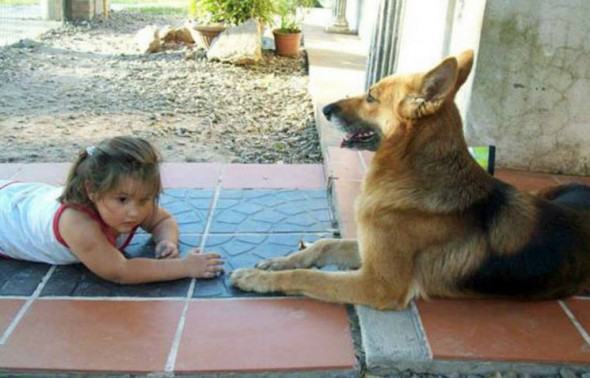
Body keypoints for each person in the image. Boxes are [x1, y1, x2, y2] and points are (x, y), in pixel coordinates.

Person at [0, 136, 224, 284]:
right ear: (92, 190)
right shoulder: (79, 226)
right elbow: (120, 271)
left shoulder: (127, 203)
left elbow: (162, 221)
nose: (134, 212)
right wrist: (184, 267)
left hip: (26, 200)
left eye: (145, 199)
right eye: (122, 199)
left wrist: (167, 241)